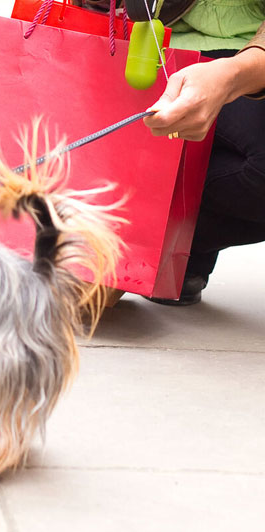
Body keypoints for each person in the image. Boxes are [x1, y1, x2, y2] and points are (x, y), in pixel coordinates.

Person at [80, 0, 265, 305]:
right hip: (139, 51)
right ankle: (148, 240)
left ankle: (166, 242)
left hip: (246, 64)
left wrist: (233, 75)